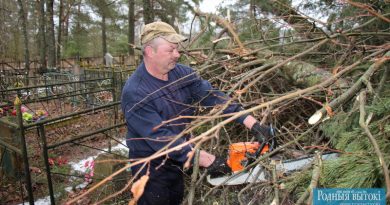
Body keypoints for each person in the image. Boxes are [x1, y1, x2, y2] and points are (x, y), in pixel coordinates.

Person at [121, 21, 272, 205]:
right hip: (150, 166)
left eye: (177, 49)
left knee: (176, 199)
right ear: (150, 51)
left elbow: (212, 96)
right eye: (170, 50)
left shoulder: (181, 73)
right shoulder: (136, 92)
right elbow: (161, 139)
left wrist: (252, 123)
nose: (177, 54)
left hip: (179, 158)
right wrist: (208, 160)